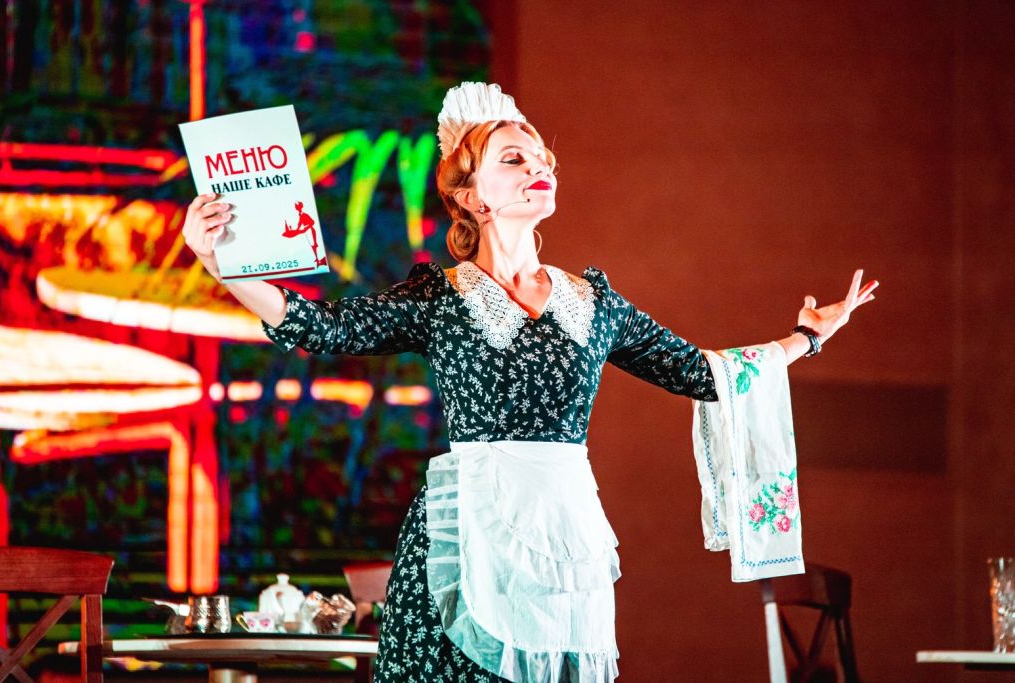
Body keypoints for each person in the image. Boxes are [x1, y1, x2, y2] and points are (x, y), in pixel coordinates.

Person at [181, 83, 878, 682]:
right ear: (471, 196)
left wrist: (807, 336)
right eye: (513, 159)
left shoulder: (595, 302)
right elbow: (324, 326)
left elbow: (702, 372)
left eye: (542, 158)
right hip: (467, 537)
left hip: (565, 535)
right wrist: (224, 266)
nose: (537, 166)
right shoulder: (439, 296)